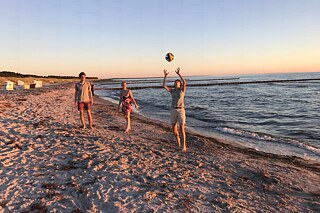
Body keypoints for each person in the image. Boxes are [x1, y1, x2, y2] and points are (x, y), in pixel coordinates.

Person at [163, 67, 187, 152]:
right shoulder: (172, 91)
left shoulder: (182, 91)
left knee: (182, 128)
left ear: (180, 84)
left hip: (181, 110)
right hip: (173, 110)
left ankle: (184, 146)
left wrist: (179, 74)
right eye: (175, 82)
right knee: (174, 130)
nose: (176, 83)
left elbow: (185, 82)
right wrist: (165, 76)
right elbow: (164, 86)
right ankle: (178, 142)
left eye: (178, 82)